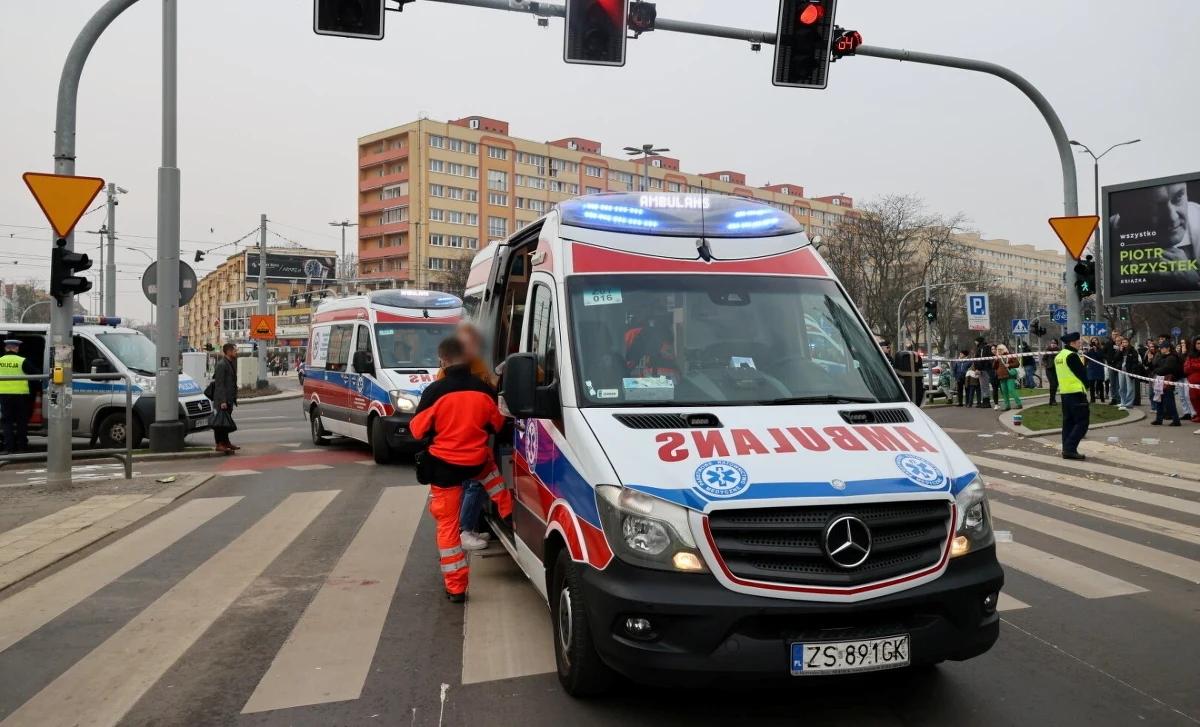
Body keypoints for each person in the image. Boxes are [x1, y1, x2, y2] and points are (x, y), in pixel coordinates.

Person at [411, 336, 513, 603]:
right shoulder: (483, 389)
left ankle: (456, 587)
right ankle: (509, 512)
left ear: (443, 360)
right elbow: (498, 425)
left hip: (444, 468)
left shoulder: (435, 391)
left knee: (447, 526)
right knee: (491, 475)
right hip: (476, 461)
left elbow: (417, 429)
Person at [435, 322, 496, 552]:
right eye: (467, 344)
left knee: (476, 484)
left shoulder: (478, 365)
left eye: (474, 343)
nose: (472, 348)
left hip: (476, 434)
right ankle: (464, 530)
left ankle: (467, 527)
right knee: (472, 484)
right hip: (459, 438)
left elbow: (488, 390)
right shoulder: (446, 372)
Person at [1056, 333, 1090, 460]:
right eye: (1078, 342)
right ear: (1072, 343)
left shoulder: (1059, 356)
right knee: (1082, 421)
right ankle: (1070, 448)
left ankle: (1066, 448)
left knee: (1068, 422)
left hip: (1065, 392)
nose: (1080, 343)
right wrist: (1087, 385)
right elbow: (1081, 373)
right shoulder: (1072, 356)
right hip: (1076, 392)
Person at [0, 340, 37, 456]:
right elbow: (36, 374)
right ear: (16, 349)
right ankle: (21, 447)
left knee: (7, 423)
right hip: (21, 396)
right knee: (21, 423)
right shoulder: (23, 361)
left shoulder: (0, 361)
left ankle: (8, 448)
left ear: (6, 348)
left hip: (4, 396)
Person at [211, 343, 240, 453]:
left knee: (225, 422)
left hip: (229, 399)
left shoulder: (231, 362)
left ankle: (226, 442)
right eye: (235, 350)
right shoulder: (221, 365)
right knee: (220, 423)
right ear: (229, 352)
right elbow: (220, 384)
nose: (236, 352)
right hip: (222, 400)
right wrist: (222, 401)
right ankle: (219, 444)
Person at [1150, 340, 1183, 426]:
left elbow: (1165, 369)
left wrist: (1155, 370)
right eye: (1160, 348)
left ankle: (1176, 420)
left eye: (1162, 348)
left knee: (1169, 401)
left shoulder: (1172, 357)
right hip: (1159, 380)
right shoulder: (1161, 356)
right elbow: (1154, 365)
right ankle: (1159, 419)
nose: (1161, 349)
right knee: (1159, 400)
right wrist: (1151, 362)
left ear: (1168, 348)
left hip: (1167, 380)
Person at [992, 344, 1023, 411]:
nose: (999, 351)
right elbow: (994, 367)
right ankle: (1007, 406)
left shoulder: (1010, 355)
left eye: (1001, 349)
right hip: (1001, 376)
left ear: (1004, 349)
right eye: (998, 350)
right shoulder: (997, 357)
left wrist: (1009, 365)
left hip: (1009, 375)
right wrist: (996, 360)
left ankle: (1019, 404)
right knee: (1004, 392)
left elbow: (1017, 364)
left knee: (1011, 390)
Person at [1177, 338, 1196, 421]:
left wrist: (1184, 354)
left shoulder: (1191, 354)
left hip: (1187, 377)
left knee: (1187, 395)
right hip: (1180, 376)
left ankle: (1193, 412)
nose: (1182, 345)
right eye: (1181, 343)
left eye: (1184, 343)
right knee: (1181, 396)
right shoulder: (1179, 353)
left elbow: (1186, 364)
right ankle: (1186, 412)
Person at [973, 337, 993, 409]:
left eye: (975, 341)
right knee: (983, 386)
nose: (975, 342)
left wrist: (978, 368)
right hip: (983, 369)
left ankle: (986, 402)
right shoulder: (983, 347)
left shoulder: (982, 348)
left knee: (984, 386)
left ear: (978, 341)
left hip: (983, 369)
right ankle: (984, 401)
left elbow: (981, 359)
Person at [1184, 336, 1200, 423]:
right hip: (1193, 383)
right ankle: (1199, 415)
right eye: (1198, 343)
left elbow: (1191, 366)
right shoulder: (1191, 355)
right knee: (1194, 399)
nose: (1199, 345)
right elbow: (1186, 368)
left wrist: (1193, 366)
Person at [1042, 339, 1061, 405]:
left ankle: (1052, 399)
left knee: (1056, 384)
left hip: (1057, 369)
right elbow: (1043, 359)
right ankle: (1052, 400)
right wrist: (1046, 364)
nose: (1053, 344)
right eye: (1052, 343)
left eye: (1054, 343)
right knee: (1053, 384)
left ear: (1057, 344)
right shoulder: (1048, 350)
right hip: (1049, 369)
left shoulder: (1059, 351)